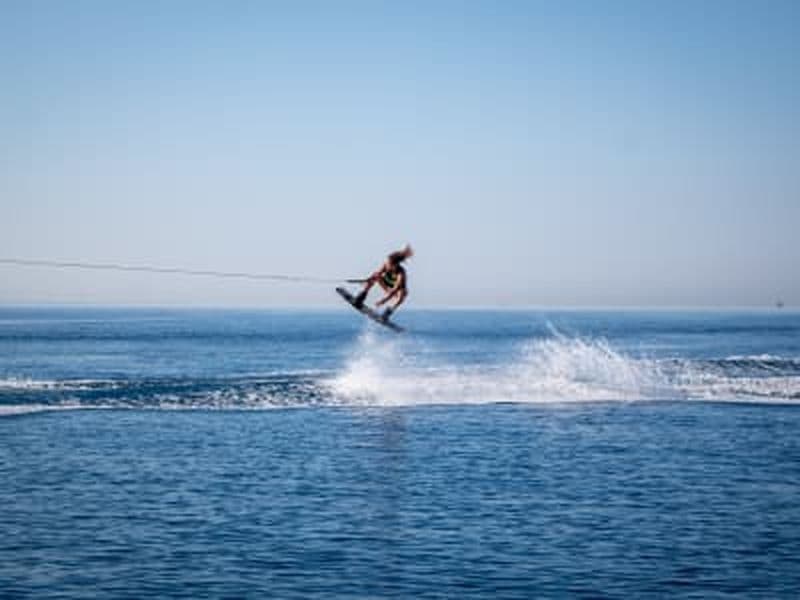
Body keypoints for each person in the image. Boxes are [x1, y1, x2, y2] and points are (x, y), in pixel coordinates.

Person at [353, 244, 413, 321]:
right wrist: (368, 280)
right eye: (388, 262)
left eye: (390, 263)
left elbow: (394, 291)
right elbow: (378, 274)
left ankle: (387, 313)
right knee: (375, 275)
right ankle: (361, 297)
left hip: (396, 292)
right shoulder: (386, 264)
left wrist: (383, 301)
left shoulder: (401, 273)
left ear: (396, 264)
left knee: (403, 294)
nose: (388, 264)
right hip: (387, 286)